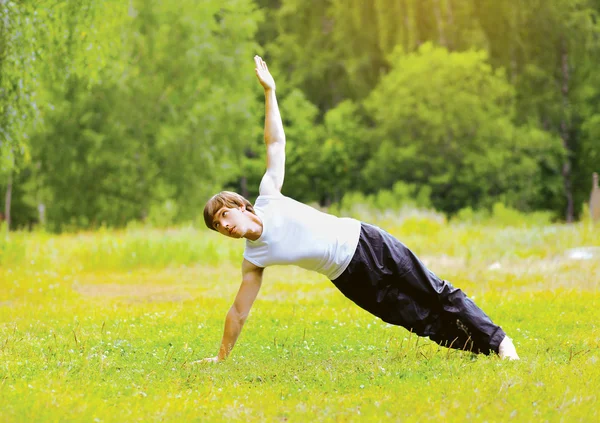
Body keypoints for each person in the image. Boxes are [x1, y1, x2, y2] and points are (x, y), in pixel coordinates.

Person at [197, 55, 519, 364]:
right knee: (420, 321)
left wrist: (270, 91)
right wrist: (221, 357)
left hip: (367, 241)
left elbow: (275, 143)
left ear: (240, 205)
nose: (224, 226)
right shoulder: (254, 260)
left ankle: (501, 343)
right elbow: (239, 311)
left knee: (436, 292)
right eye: (217, 226)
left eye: (224, 215)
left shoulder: (269, 196)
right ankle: (485, 349)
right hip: (350, 279)